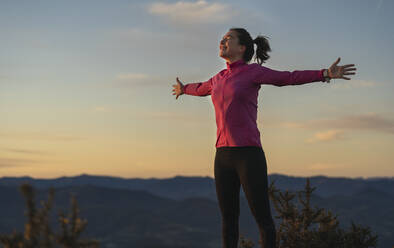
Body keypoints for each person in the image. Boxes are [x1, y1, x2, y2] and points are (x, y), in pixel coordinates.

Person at [171, 27, 356, 248]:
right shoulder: (218, 78)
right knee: (229, 220)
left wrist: (323, 73)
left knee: (263, 220)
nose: (222, 41)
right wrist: (184, 89)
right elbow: (200, 88)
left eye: (228, 38)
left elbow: (287, 78)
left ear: (242, 48)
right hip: (222, 156)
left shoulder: (253, 73)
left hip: (248, 156)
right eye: (222, 38)